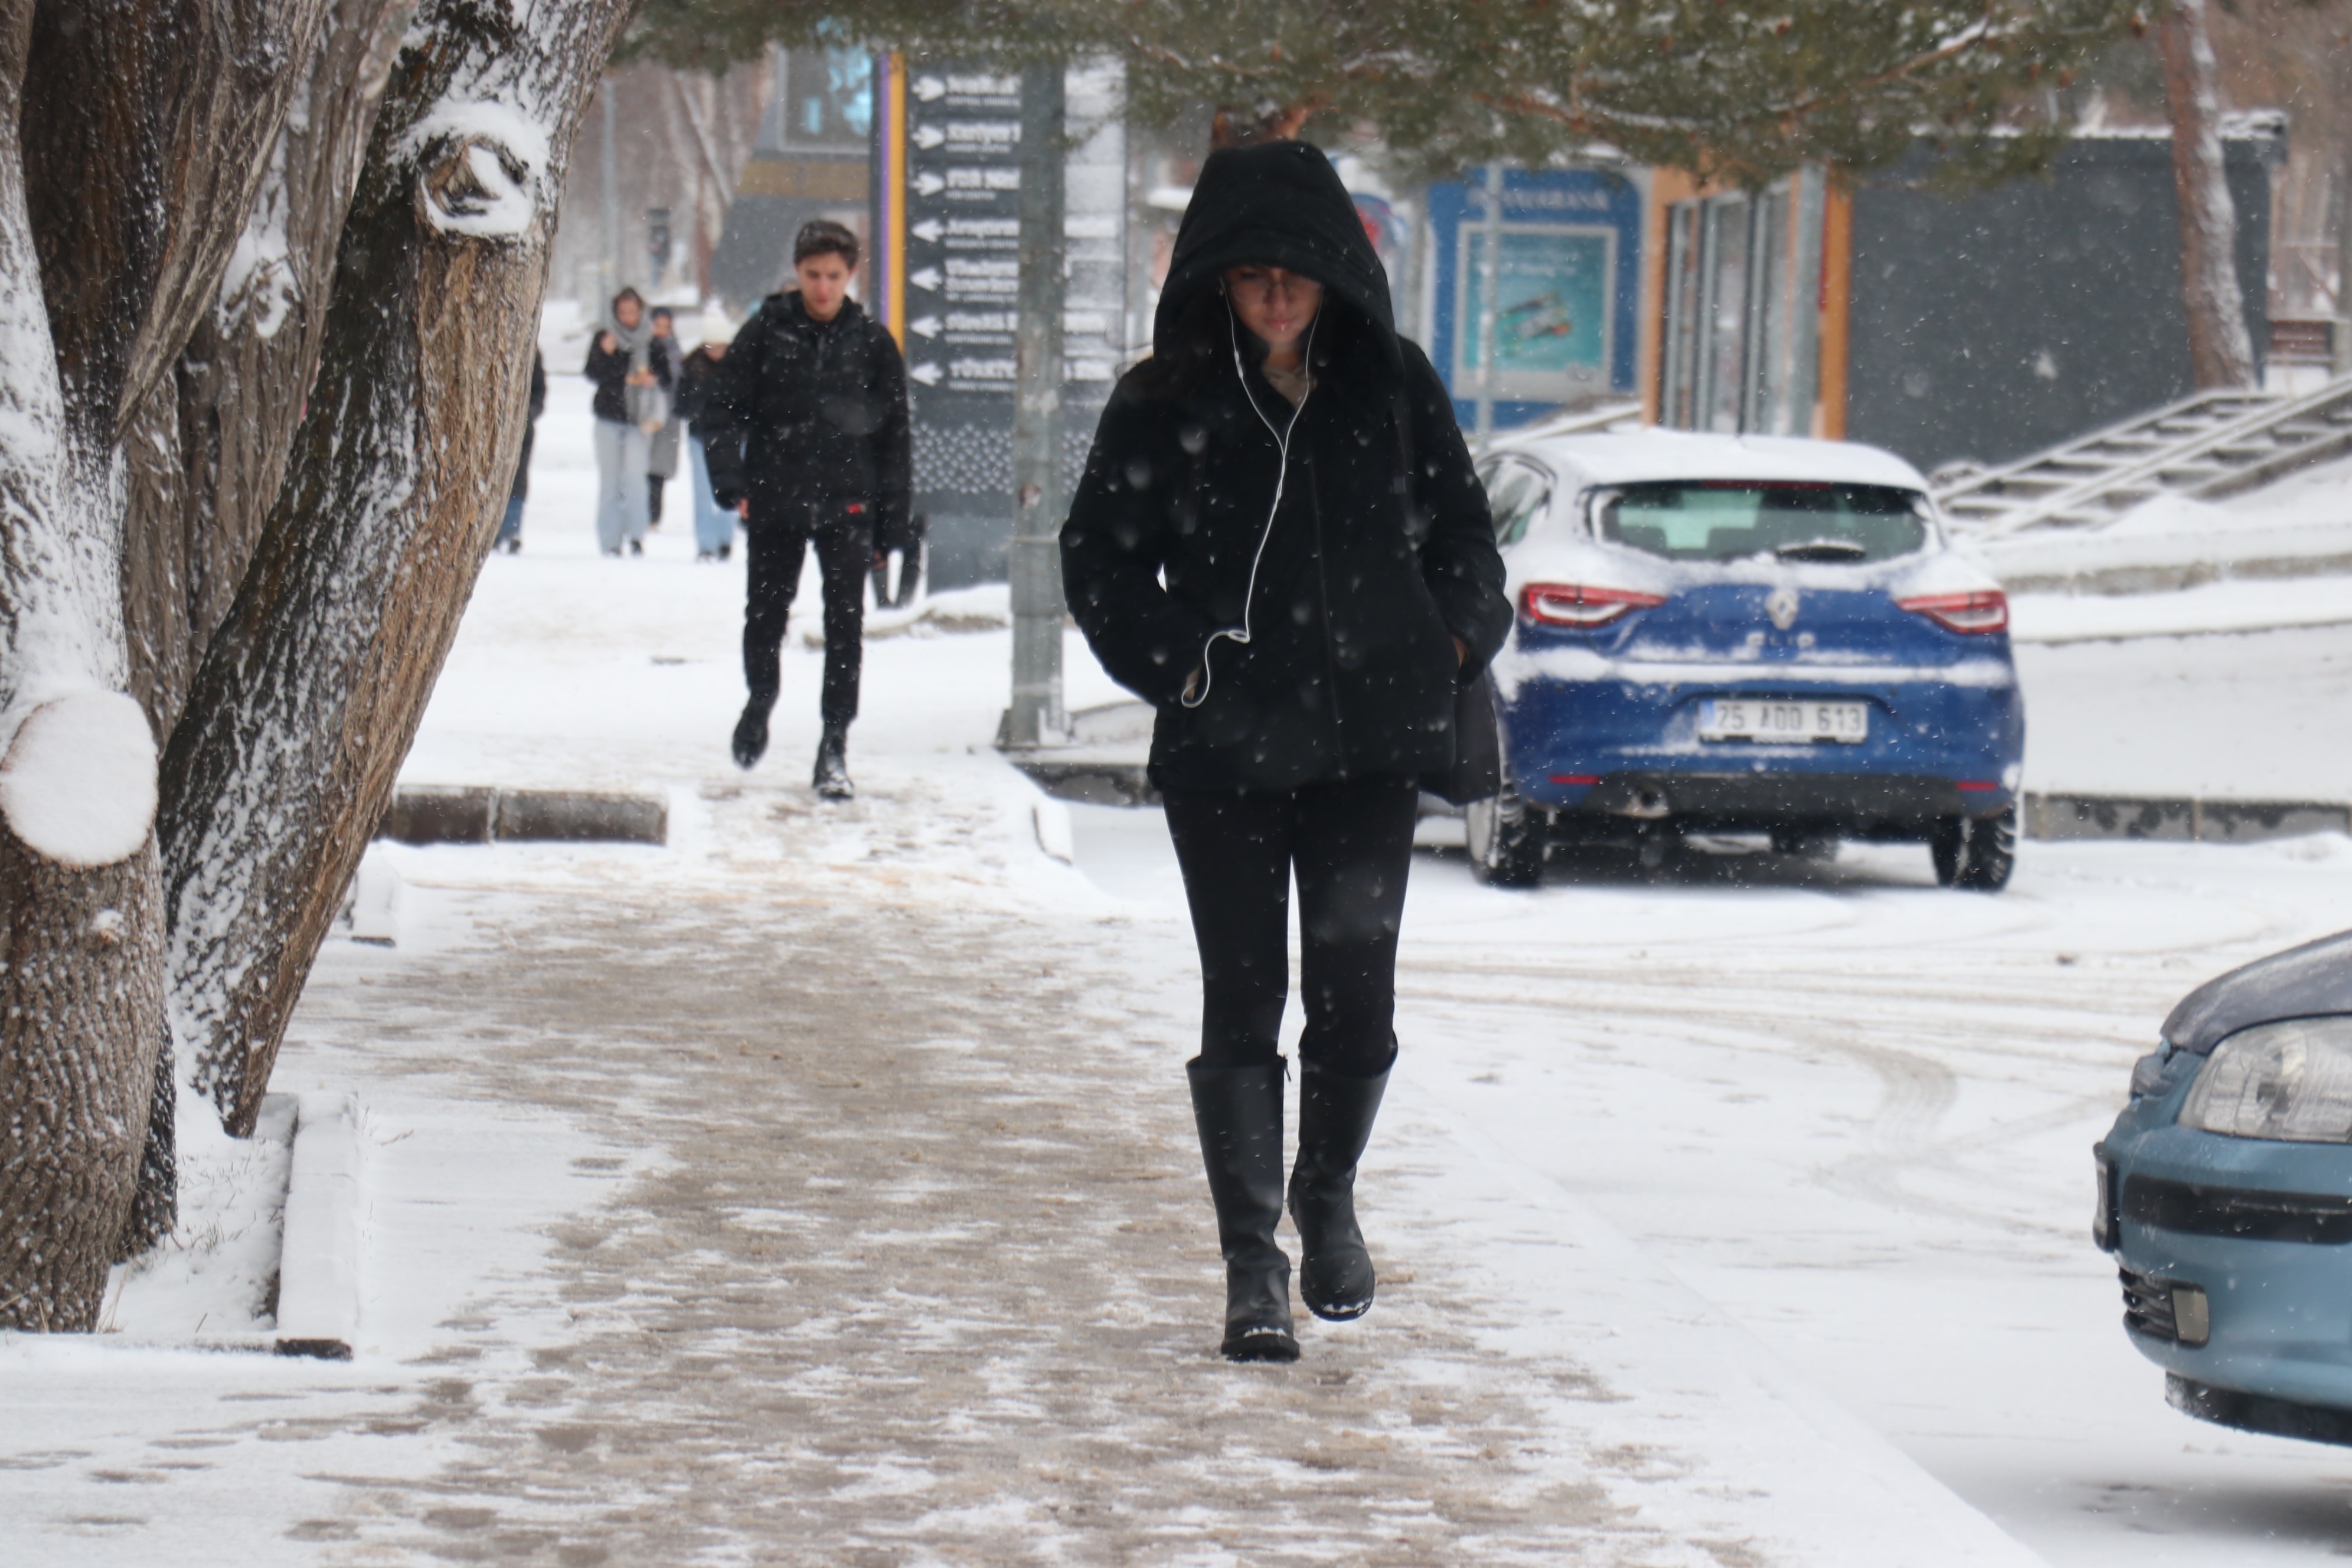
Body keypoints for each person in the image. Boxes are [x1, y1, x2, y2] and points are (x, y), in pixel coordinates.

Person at [1060, 142, 1510, 1363]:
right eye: (1251, 274)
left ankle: (1329, 1192)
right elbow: (1097, 560)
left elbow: (1467, 537)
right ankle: (1251, 1261)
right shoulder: (1164, 398)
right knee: (1244, 995)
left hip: (1371, 745)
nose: (1274, 295)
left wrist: (1455, 640)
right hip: (1226, 753)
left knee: (1356, 998)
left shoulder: (1394, 384)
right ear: (1217, 278)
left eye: (1294, 273)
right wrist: (1183, 664)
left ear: (1335, 274)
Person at [704, 219, 910, 799]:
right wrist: (733, 482)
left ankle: (834, 745)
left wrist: (892, 523)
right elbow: (720, 412)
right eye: (814, 275)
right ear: (798, 273)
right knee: (765, 616)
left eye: (834, 276)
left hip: (848, 506)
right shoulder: (766, 333)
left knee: (845, 628)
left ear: (851, 276)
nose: (823, 288)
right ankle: (760, 696)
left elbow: (896, 438)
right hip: (777, 500)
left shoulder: (872, 344)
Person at [584, 288, 673, 557]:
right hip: (609, 417)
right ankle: (610, 540)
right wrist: (610, 356)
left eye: (632, 311)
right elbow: (592, 373)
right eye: (622, 312)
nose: (628, 317)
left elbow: (667, 377)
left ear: (641, 312)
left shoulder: (650, 340)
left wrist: (652, 379)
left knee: (636, 480)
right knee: (609, 481)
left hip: (639, 420)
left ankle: (636, 535)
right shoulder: (605, 337)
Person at [673, 338, 736, 562]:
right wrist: (700, 400)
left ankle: (726, 538)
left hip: (733, 438)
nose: (716, 350)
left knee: (732, 490)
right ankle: (706, 543)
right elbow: (680, 407)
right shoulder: (692, 367)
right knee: (703, 492)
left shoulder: (740, 365)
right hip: (702, 437)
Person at [494, 348, 545, 554]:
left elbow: (539, 393)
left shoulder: (531, 352)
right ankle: (494, 530)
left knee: (518, 476)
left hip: (522, 426)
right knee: (494, 476)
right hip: (494, 425)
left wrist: (526, 415)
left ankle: (512, 528)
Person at [646, 306, 682, 528]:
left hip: (668, 418)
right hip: (642, 415)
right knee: (639, 468)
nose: (661, 331)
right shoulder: (642, 348)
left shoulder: (676, 351)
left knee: (657, 472)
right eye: (656, 325)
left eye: (665, 326)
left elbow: (679, 383)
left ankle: (653, 516)